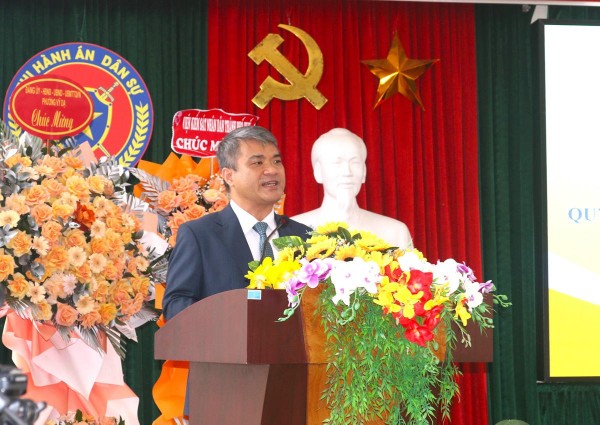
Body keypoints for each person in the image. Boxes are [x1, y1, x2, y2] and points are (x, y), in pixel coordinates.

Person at [163, 125, 312, 320]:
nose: (272, 170)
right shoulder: (199, 235)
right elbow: (176, 305)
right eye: (258, 163)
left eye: (276, 161)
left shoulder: (305, 237)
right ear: (229, 176)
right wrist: (228, 319)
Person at [292, 128, 412, 249]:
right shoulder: (292, 232)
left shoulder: (395, 232)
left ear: (364, 171)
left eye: (355, 163)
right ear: (318, 172)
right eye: (337, 163)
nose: (347, 172)